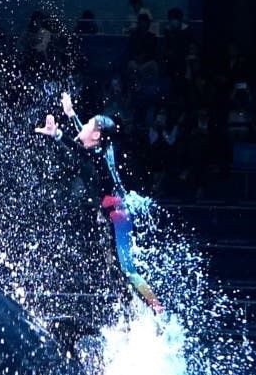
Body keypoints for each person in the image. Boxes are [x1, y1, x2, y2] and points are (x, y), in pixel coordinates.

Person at [36, 93, 162, 311]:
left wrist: (57, 134)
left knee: (127, 269)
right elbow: (85, 138)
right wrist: (71, 114)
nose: (82, 126)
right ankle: (132, 313)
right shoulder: (101, 146)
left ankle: (157, 308)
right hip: (112, 213)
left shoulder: (96, 156)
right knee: (114, 269)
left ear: (96, 134)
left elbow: (78, 148)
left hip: (118, 216)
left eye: (87, 124)